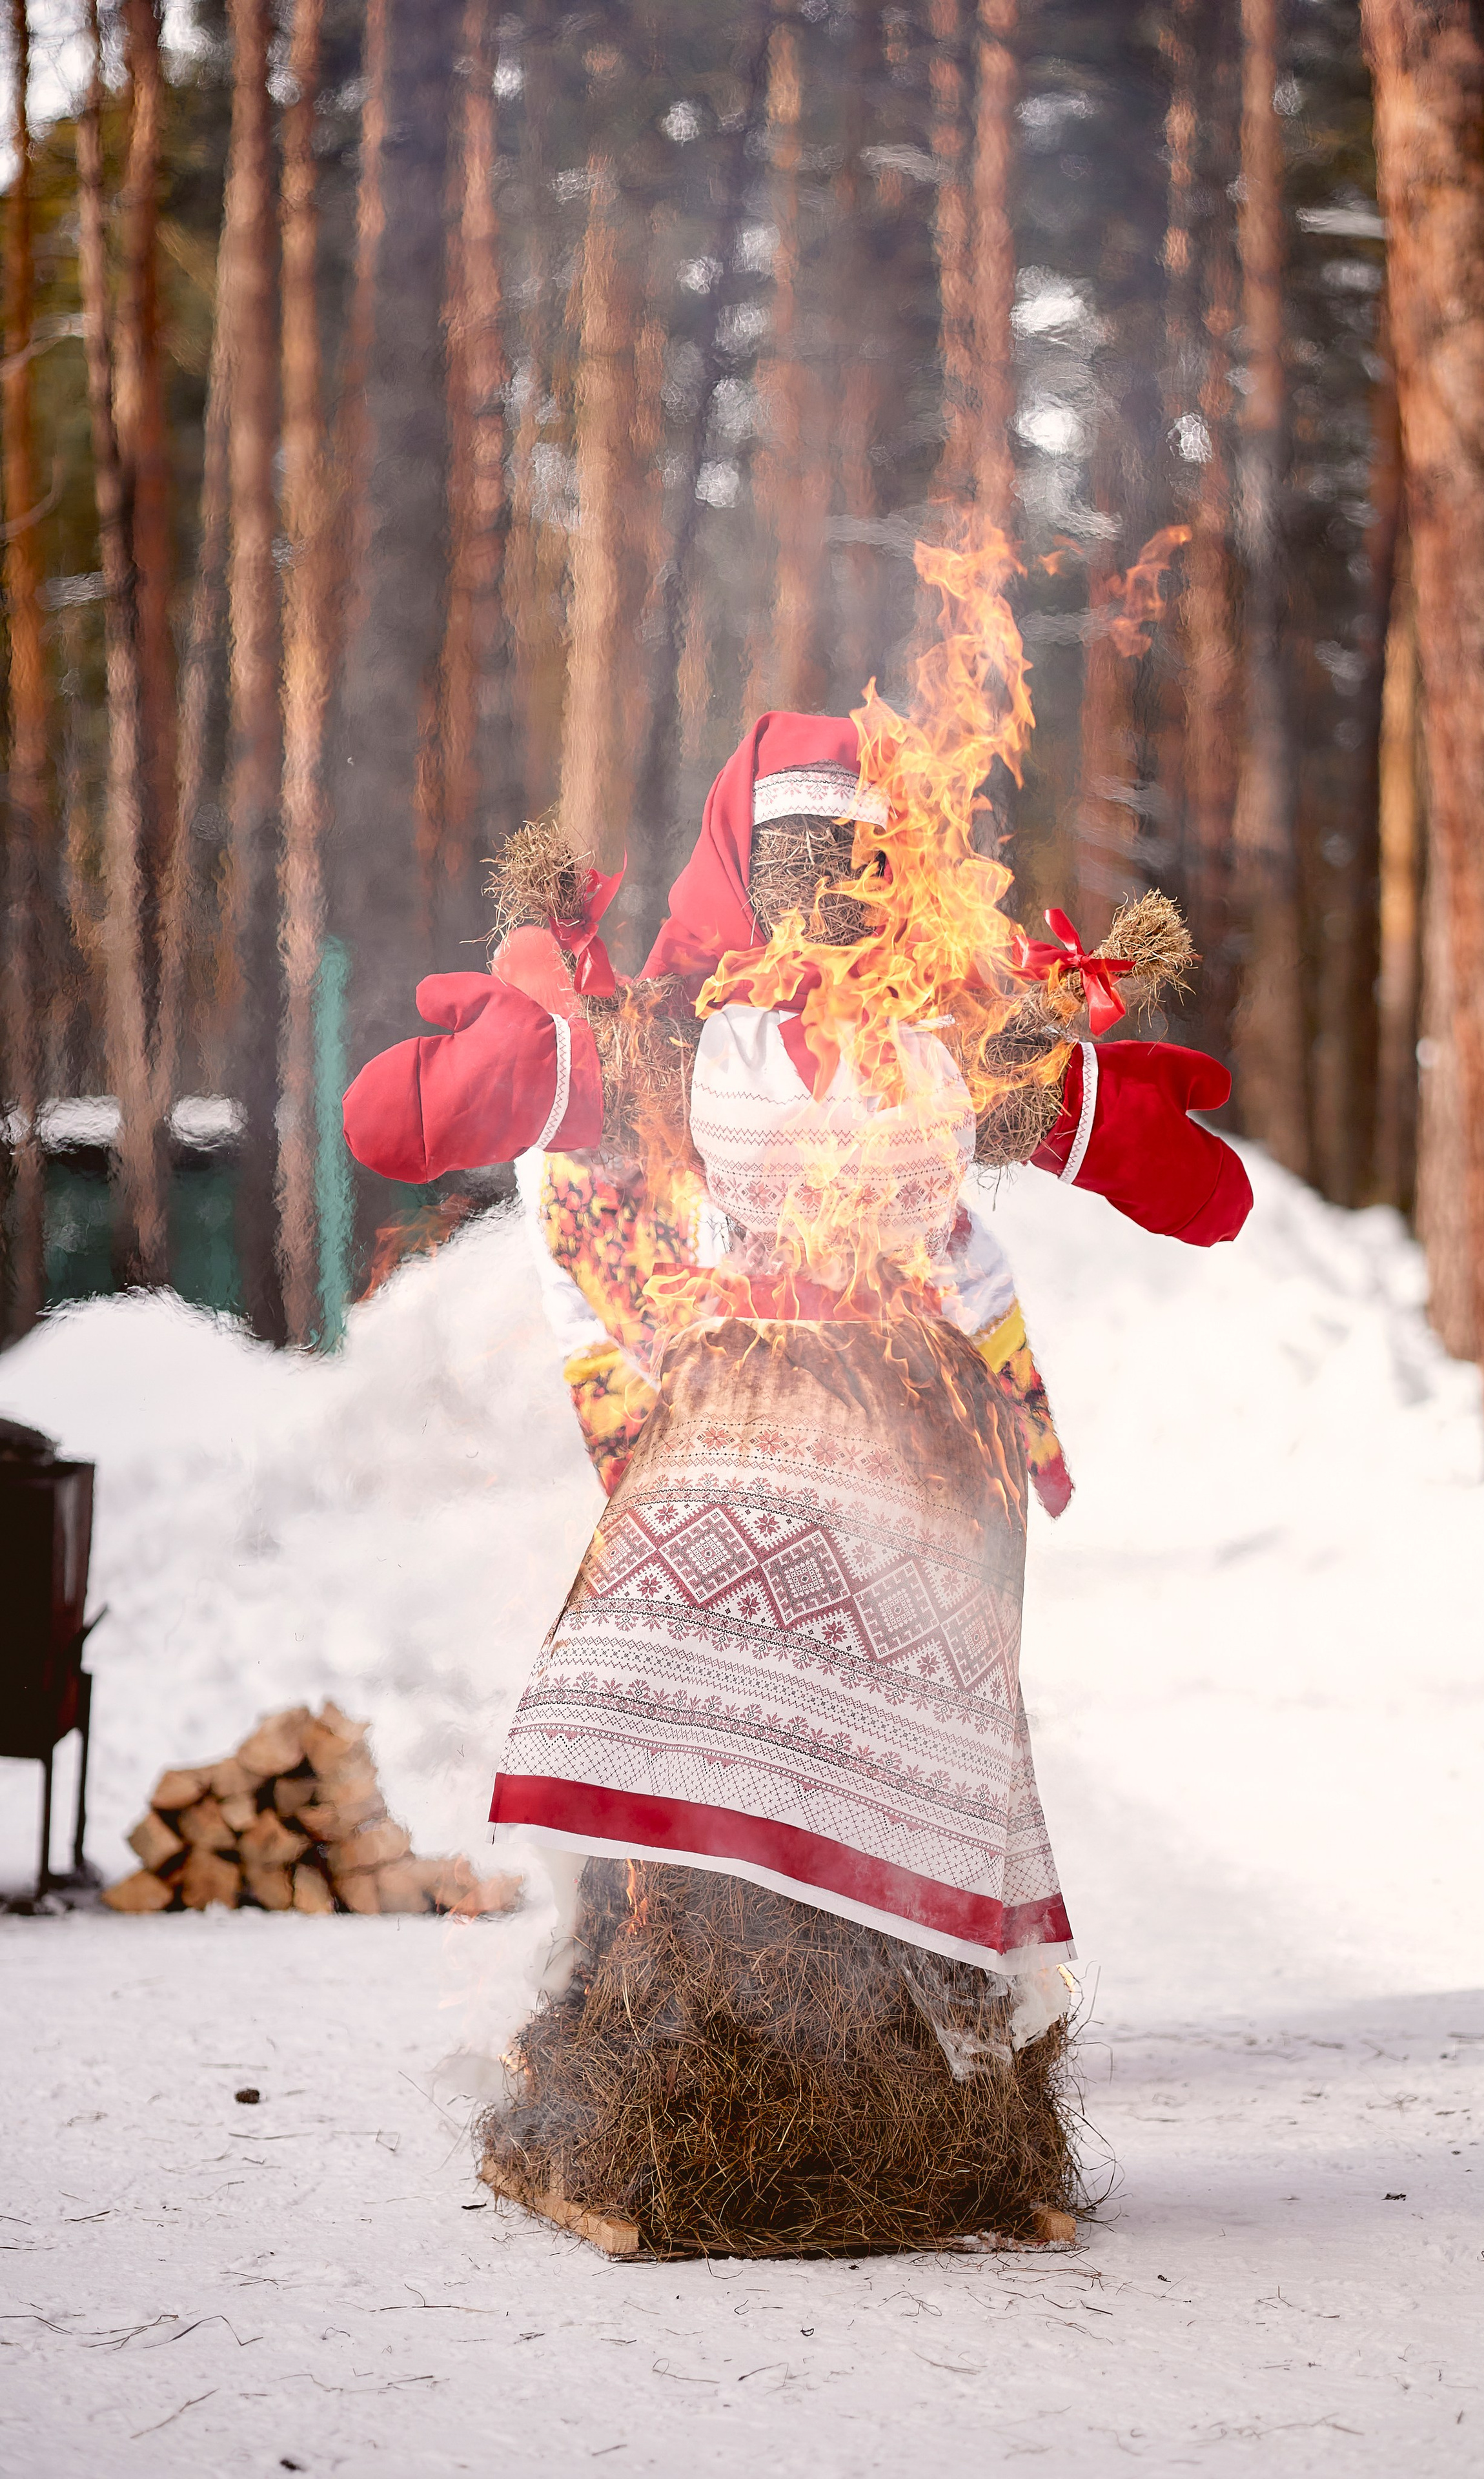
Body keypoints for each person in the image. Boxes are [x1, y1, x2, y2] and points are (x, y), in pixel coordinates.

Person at [343, 708, 1250, 2254]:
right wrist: (522, 1025)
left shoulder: (772, 1049)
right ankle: (797, 2073)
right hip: (864, 1417)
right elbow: (403, 1119)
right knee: (744, 1701)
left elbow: (399, 1115)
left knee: (750, 1692)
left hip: (850, 1422)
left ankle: (807, 2074)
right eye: (801, 857)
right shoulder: (789, 1048)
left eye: (845, 856)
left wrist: (518, 1021)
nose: (823, 885)